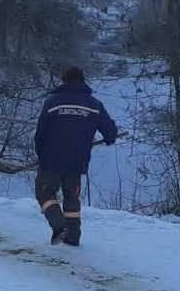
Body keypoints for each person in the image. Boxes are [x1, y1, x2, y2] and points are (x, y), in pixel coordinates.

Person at [33, 65, 118, 246]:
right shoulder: (94, 105)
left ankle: (59, 225)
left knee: (44, 192)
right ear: (83, 80)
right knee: (71, 198)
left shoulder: (52, 103)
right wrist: (110, 138)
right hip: (77, 161)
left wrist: (40, 155)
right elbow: (110, 130)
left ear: (64, 80)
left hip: (51, 159)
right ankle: (73, 237)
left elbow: (40, 132)